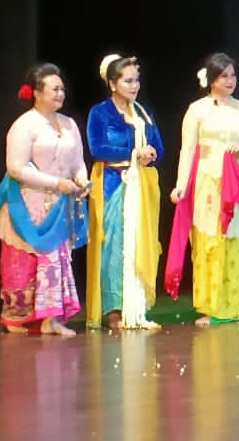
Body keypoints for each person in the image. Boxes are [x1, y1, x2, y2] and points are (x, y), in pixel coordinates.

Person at [168, 52, 239, 327]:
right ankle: (208, 306)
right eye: (224, 76)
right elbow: (187, 150)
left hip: (234, 182)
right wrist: (181, 185)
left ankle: (230, 306)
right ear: (211, 79)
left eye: (233, 75)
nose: (230, 81)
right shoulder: (197, 110)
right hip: (206, 182)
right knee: (208, 241)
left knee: (233, 238)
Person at [0, 63, 88, 336]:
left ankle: (51, 320)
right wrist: (56, 183)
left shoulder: (69, 124)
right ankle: (17, 317)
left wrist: (82, 181)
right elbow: (16, 168)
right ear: (36, 92)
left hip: (60, 204)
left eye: (62, 89)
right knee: (26, 260)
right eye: (54, 89)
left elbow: (78, 163)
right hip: (28, 202)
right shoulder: (24, 125)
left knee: (56, 260)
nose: (61, 94)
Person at [85, 53, 165, 330]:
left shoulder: (143, 113)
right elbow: (97, 149)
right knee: (114, 245)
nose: (134, 86)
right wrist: (133, 152)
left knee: (139, 243)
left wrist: (150, 154)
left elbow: (159, 148)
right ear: (112, 83)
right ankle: (114, 309)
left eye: (136, 80)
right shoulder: (100, 113)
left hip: (141, 185)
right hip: (113, 183)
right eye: (128, 81)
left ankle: (137, 307)